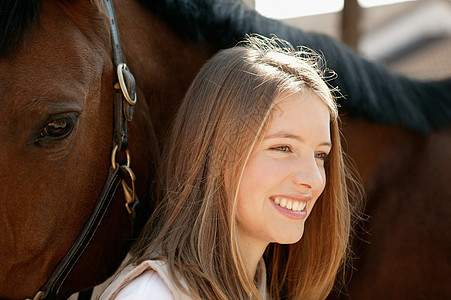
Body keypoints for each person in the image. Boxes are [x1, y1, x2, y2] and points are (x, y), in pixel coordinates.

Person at [100, 35, 358, 300]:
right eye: (283, 148)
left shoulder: (258, 288)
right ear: (215, 153)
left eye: (320, 155)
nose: (314, 180)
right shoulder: (154, 294)